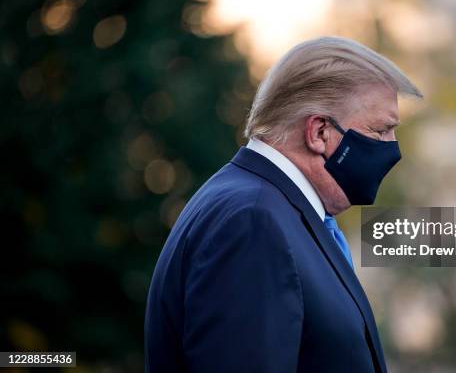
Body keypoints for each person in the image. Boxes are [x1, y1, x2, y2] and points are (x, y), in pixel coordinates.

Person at [144, 36, 423, 372]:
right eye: (380, 131)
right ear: (319, 132)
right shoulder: (252, 221)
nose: (393, 149)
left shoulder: (273, 211)